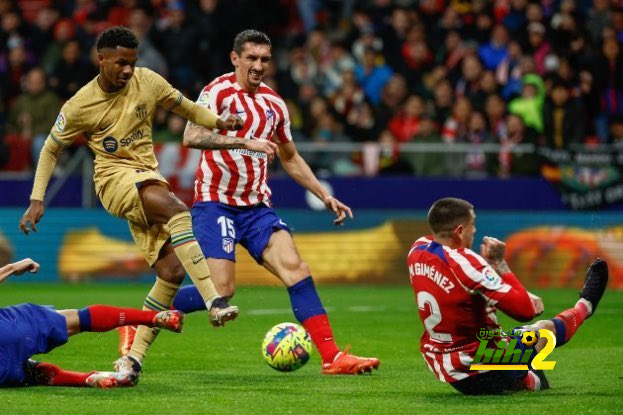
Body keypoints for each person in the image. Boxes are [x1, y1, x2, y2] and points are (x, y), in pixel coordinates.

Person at [119, 29, 380, 375]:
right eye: (252, 58)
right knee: (222, 289)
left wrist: (323, 194)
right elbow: (191, 135)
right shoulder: (216, 93)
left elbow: (290, 157)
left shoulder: (274, 104)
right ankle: (140, 320)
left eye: (265, 60)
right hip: (216, 204)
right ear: (235, 58)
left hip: (257, 208)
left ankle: (332, 358)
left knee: (297, 271)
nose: (258, 66)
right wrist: (243, 141)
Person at [18, 27, 276, 375]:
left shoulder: (147, 81)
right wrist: (37, 199)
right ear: (102, 60)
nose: (127, 70)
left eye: (132, 63)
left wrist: (220, 121)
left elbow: (185, 108)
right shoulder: (80, 104)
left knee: (170, 270)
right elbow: (51, 148)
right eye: (120, 63)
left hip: (147, 176)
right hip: (113, 181)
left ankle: (133, 357)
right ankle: (214, 299)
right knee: (176, 209)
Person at [407, 197, 609, 394]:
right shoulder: (467, 263)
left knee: (531, 335)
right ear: (460, 231)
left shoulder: (416, 251)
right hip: (490, 364)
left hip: (449, 367)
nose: (475, 230)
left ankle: (527, 367)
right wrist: (499, 263)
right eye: (473, 224)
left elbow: (464, 280)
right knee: (544, 333)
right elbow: (526, 310)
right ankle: (585, 306)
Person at [0, 258, 184, 388]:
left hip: (5, 372)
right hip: (9, 328)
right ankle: (153, 318)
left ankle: (88, 378)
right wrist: (11, 268)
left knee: (29, 373)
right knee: (77, 319)